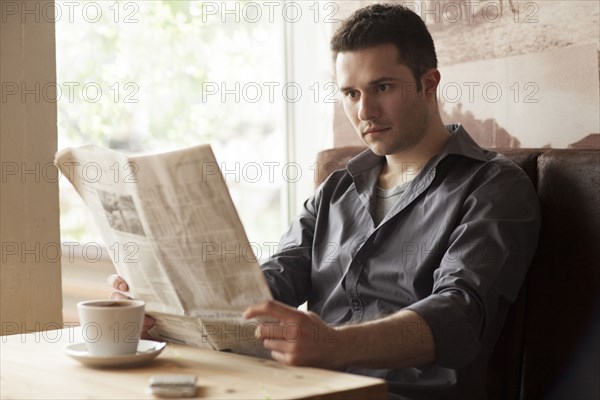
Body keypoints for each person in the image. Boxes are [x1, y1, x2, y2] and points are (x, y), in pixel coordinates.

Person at [111, 4, 540, 399]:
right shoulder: (337, 189)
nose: (365, 111)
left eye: (382, 87)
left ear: (428, 83)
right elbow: (270, 285)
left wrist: (333, 345)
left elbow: (460, 316)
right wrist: (165, 301)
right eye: (350, 93)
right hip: (304, 386)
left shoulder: (493, 186)